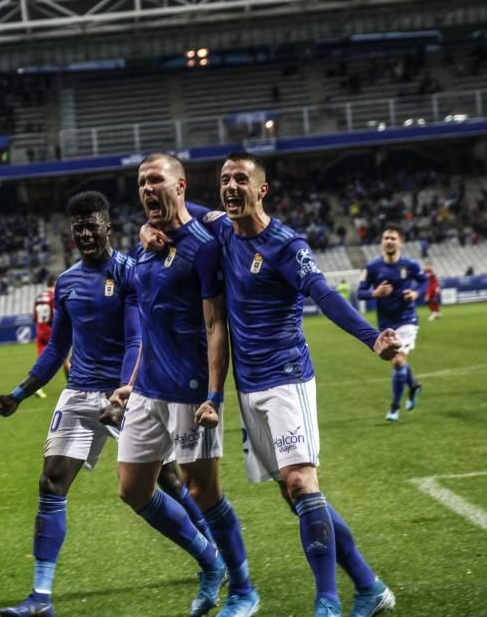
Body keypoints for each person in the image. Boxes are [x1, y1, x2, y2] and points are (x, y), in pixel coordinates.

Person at [0, 191, 225, 617]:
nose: (84, 233)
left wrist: (123, 393)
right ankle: (41, 597)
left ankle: (212, 553)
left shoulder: (129, 273)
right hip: (79, 392)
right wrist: (20, 394)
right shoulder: (66, 283)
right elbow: (56, 348)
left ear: (107, 226)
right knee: (51, 483)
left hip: (131, 391)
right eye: (77, 226)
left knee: (168, 481)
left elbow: (137, 339)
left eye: (91, 224)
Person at [205, 152, 400, 617]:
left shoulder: (287, 246)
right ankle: (369, 587)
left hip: (287, 376)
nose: (231, 186)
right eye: (225, 179)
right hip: (248, 385)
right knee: (293, 493)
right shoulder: (220, 230)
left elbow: (325, 295)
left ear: (262, 189)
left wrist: (372, 338)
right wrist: (150, 228)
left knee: (301, 481)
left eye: (241, 180)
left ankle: (327, 601)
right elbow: (184, 209)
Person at [113, 153, 259, 616]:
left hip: (190, 387)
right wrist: (129, 382)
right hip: (148, 389)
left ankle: (243, 589)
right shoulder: (143, 244)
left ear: (180, 186)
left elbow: (216, 325)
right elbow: (146, 319)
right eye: (139, 182)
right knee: (133, 488)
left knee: (204, 492)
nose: (145, 189)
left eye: (154, 180)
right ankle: (208, 560)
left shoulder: (206, 242)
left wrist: (213, 394)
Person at [356, 226, 427, 422]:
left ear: (400, 242)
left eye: (393, 238)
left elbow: (423, 282)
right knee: (398, 360)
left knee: (397, 361)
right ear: (381, 242)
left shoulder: (410, 264)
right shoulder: (372, 267)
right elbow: (360, 293)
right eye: (386, 237)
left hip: (407, 319)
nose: (389, 241)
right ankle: (413, 387)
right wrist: (374, 294)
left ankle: (394, 408)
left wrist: (416, 294)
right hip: (386, 323)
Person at [31, 274, 70, 398]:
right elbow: (58, 314)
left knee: (41, 360)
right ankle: (73, 385)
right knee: (65, 358)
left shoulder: (39, 297)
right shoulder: (55, 295)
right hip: (52, 330)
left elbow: (35, 317)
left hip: (40, 330)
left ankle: (36, 387)